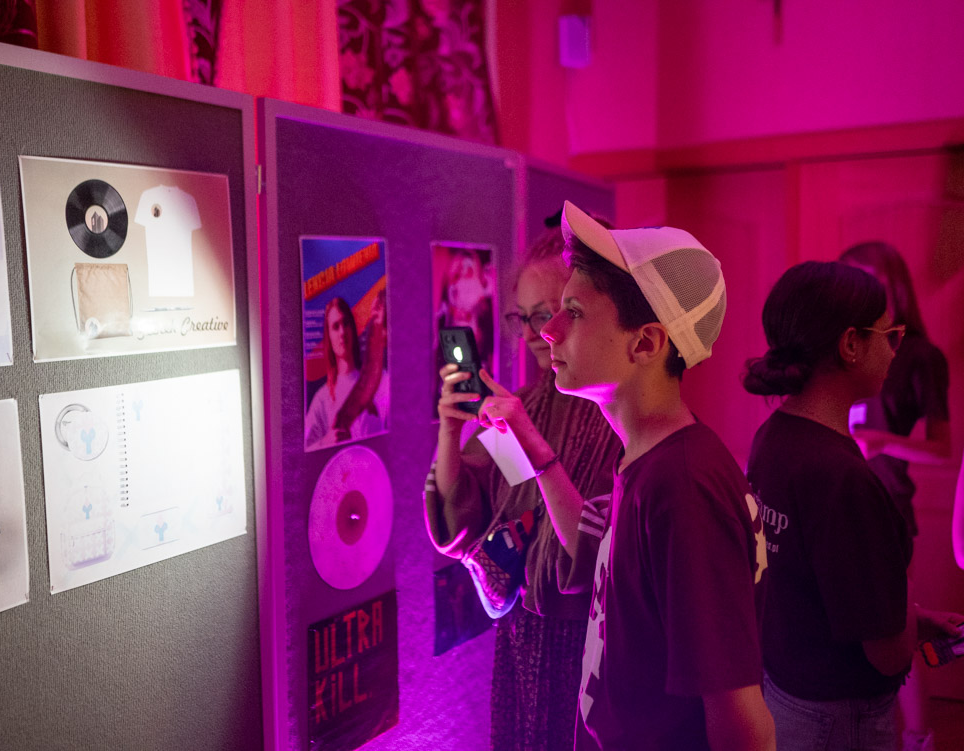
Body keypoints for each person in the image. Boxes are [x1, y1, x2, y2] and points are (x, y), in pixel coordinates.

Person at [537, 201, 773, 750]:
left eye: (574, 312)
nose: (548, 330)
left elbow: (740, 718)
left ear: (646, 342)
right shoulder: (648, 460)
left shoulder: (683, 486)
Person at [743, 261, 962, 751]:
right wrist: (901, 616)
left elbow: (816, 588)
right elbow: (888, 655)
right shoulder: (844, 479)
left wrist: (910, 615)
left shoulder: (771, 438)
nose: (894, 349)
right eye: (889, 336)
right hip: (838, 719)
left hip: (786, 691)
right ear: (850, 345)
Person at [423, 225, 621, 751]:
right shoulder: (527, 406)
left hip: (589, 644)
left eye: (549, 313)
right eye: (523, 317)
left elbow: (599, 550)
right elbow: (474, 510)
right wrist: (450, 430)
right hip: (521, 638)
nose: (536, 333)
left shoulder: (617, 415)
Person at [838, 242, 951, 751]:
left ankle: (919, 739)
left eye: (867, 280)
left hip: (887, 507)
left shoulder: (921, 356)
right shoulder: (844, 347)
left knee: (895, 626)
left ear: (893, 286)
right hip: (836, 503)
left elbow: (943, 450)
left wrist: (881, 443)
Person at [305, 296, 389, 450]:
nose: (342, 332)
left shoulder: (382, 381)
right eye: (335, 327)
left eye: (346, 323)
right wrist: (325, 442)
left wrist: (380, 321)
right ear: (329, 336)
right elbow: (305, 448)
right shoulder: (321, 400)